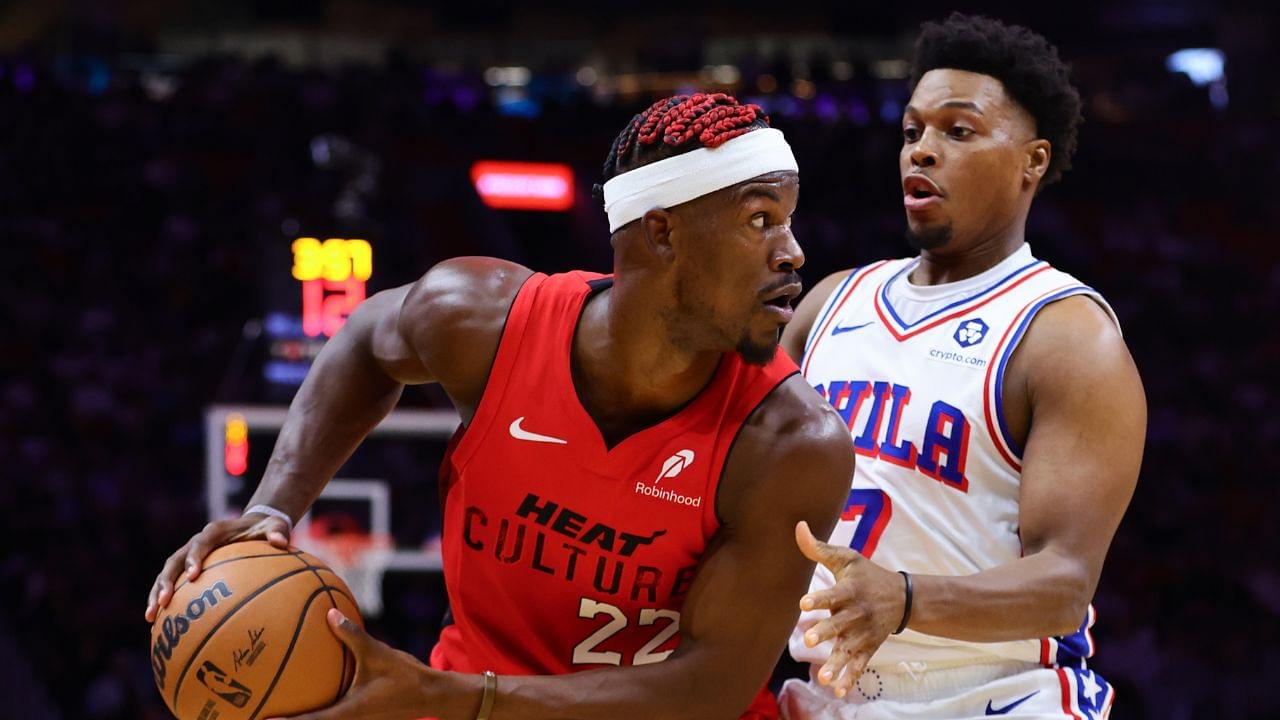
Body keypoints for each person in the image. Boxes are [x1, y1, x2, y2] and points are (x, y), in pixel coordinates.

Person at [145, 92, 855, 720]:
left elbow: (708, 689)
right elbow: (363, 340)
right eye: (760, 220)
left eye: (789, 221)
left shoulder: (790, 444)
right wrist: (272, 510)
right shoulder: (482, 322)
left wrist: (464, 699)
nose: (792, 251)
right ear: (662, 231)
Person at [776, 14, 1146, 720]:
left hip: (997, 700)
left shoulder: (1064, 334)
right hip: (836, 696)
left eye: (958, 131)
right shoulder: (832, 303)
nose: (923, 151)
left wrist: (905, 598)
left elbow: (1065, 582)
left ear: (1033, 161)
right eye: (912, 131)